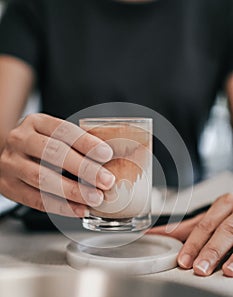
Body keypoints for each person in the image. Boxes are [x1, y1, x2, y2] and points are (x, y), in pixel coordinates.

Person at [0, 0, 232, 277]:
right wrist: (9, 156)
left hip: (187, 235)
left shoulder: (221, 10)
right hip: (53, 238)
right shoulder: (37, 6)